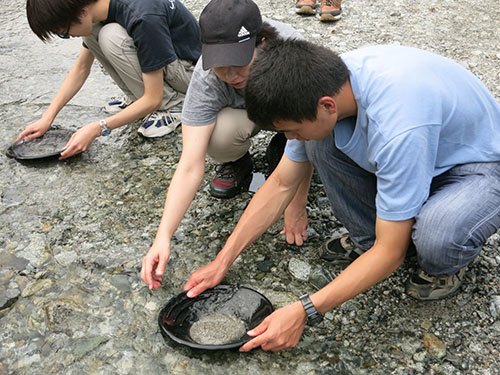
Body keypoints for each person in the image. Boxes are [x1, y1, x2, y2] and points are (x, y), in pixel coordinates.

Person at [181, 39, 500, 352]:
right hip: (423, 150)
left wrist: (303, 310)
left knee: (436, 237)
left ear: (327, 106)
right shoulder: (319, 83)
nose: (288, 138)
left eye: (290, 130)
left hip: (477, 163)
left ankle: (444, 264)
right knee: (315, 141)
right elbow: (280, 183)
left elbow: (392, 251)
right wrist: (223, 259)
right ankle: (370, 240)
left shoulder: (398, 126)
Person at [140, 0, 314, 290]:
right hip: (245, 117)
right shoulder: (208, 76)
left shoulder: (290, 51)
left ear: (263, 42)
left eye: (238, 63)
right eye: (221, 66)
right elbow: (189, 165)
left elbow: (314, 132)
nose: (231, 75)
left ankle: (285, 142)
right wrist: (163, 236)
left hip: (291, 113)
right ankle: (238, 161)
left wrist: (297, 203)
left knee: (302, 136)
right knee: (217, 138)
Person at [17, 0, 201, 159]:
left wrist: (98, 128)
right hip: (171, 65)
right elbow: (81, 69)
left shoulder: (143, 17)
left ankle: (174, 106)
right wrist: (47, 118)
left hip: (192, 73)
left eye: (63, 32)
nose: (68, 37)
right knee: (94, 33)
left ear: (82, 11)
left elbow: (153, 99)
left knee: (111, 36)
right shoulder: (99, 8)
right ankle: (136, 98)